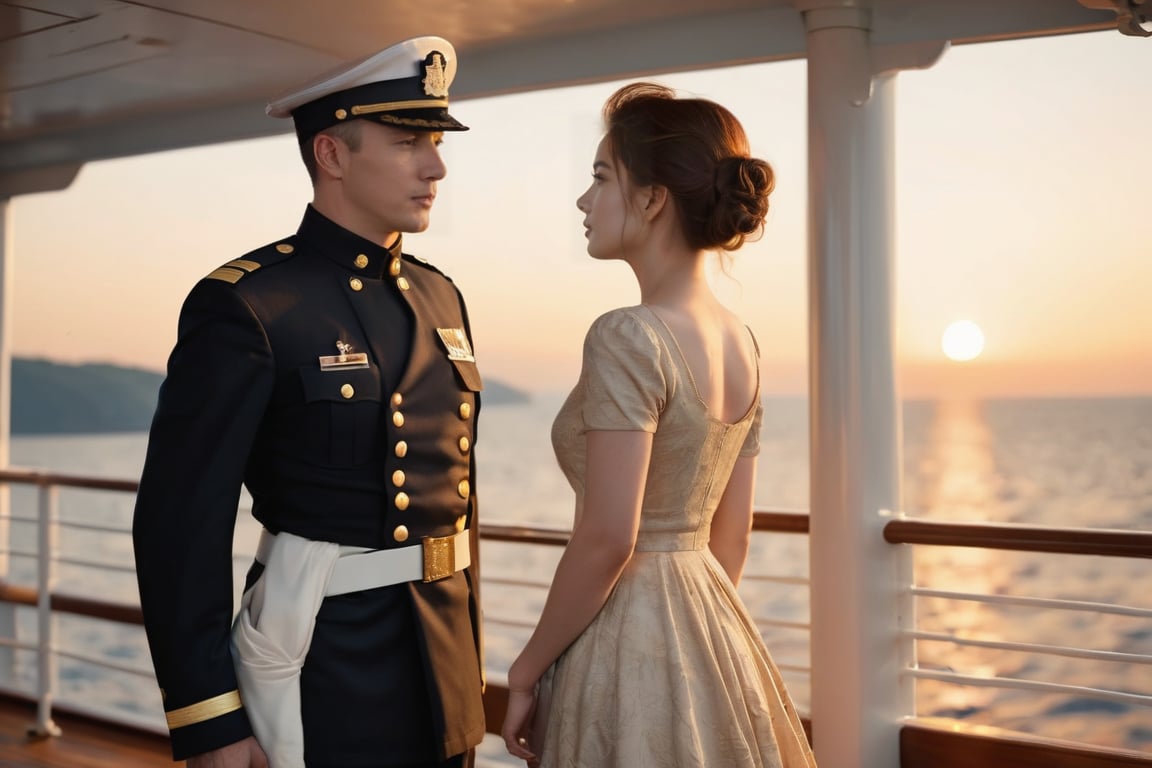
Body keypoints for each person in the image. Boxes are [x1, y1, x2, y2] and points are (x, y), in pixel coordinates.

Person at [132, 36, 485, 768]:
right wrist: (209, 723)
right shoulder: (251, 304)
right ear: (332, 154)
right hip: (326, 660)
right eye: (408, 142)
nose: (436, 167)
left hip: (445, 656)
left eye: (435, 143)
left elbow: (452, 500)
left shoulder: (438, 294)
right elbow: (180, 524)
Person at [500, 83, 817, 768]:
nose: (585, 202)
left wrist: (525, 670)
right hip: (712, 623)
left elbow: (609, 538)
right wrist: (696, 653)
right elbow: (731, 539)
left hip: (623, 630)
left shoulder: (627, 335)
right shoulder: (744, 344)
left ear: (652, 198)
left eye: (600, 177)